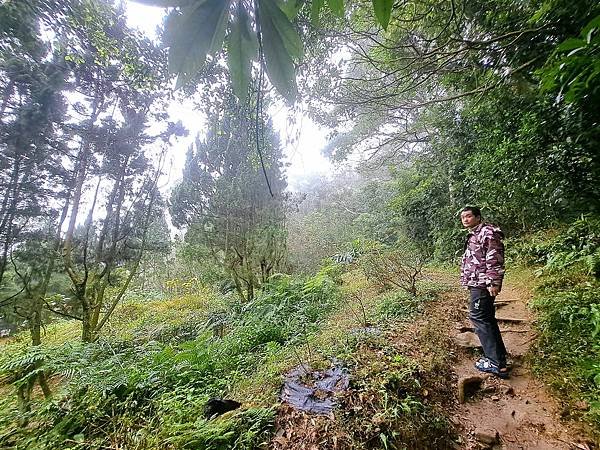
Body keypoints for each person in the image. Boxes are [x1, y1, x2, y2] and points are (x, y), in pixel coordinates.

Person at [460, 206, 509, 379]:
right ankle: (500, 358)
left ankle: (495, 363)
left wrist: (493, 282)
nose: (465, 219)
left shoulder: (487, 232)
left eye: (468, 216)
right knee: (487, 318)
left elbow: (494, 258)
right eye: (463, 217)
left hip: (483, 284)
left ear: (478, 217)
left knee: (479, 317)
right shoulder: (474, 234)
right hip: (477, 283)